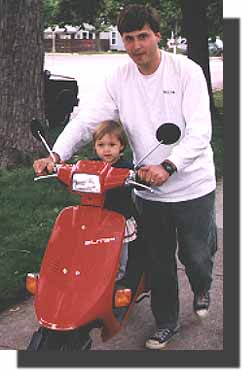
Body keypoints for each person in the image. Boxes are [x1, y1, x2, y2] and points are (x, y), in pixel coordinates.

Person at [33, 4, 217, 350]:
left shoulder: (187, 72)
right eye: (129, 38)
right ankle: (166, 322)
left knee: (195, 256)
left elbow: (199, 131)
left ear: (157, 36)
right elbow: (88, 119)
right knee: (158, 261)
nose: (136, 46)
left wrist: (170, 166)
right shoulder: (119, 78)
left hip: (192, 183)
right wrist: (57, 154)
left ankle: (203, 283)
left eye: (143, 36)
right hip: (147, 188)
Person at [92, 120, 138, 281]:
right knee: (94, 248)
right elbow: (75, 171)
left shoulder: (125, 166)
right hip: (96, 217)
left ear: (121, 146)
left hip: (119, 216)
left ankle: (119, 276)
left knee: (119, 251)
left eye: (112, 144)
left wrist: (136, 175)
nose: (106, 149)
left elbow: (135, 175)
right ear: (95, 147)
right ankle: (95, 273)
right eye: (101, 145)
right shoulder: (92, 165)